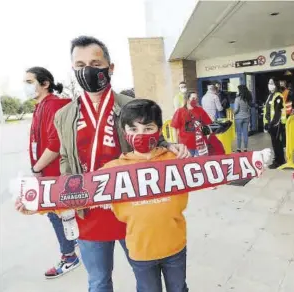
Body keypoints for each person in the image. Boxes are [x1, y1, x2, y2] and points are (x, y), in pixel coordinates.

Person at [53, 36, 189, 292]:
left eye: (95, 62)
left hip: (133, 208)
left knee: (146, 280)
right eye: (80, 64)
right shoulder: (64, 115)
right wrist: (63, 192)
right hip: (89, 213)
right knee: (99, 281)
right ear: (73, 69)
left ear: (110, 67)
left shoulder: (131, 105)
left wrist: (172, 146)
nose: (88, 70)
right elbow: (64, 158)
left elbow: (154, 138)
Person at [102, 99, 189, 292]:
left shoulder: (177, 159)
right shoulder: (112, 170)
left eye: (148, 128)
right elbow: (76, 194)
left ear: (159, 129)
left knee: (179, 289)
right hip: (141, 250)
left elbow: (214, 171)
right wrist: (35, 203)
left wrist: (252, 164)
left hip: (175, 246)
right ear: (124, 133)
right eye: (133, 130)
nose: (140, 135)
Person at [24, 66, 80, 278]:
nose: (25, 87)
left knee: (58, 214)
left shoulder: (54, 105)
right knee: (59, 214)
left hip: (55, 173)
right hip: (46, 172)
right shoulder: (40, 106)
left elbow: (55, 144)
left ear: (45, 83)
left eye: (29, 82)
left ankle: (69, 256)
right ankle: (74, 243)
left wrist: (36, 168)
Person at [171, 91, 212, 156]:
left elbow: (208, 124)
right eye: (193, 98)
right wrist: (176, 143)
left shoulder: (200, 110)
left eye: (196, 98)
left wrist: (207, 138)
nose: (195, 100)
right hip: (185, 146)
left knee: (200, 164)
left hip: (201, 145)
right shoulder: (180, 111)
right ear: (187, 99)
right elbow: (174, 128)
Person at [263, 78, 286, 169]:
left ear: (276, 84)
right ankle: (278, 159)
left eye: (272, 83)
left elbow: (278, 112)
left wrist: (272, 124)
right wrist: (266, 123)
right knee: (275, 143)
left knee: (277, 144)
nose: (270, 85)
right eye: (269, 83)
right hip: (270, 124)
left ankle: (279, 161)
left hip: (276, 124)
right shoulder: (270, 95)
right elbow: (267, 111)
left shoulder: (278, 96)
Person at [234, 85, 251, 152]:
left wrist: (233, 113)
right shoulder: (247, 98)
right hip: (246, 117)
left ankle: (238, 149)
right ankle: (245, 148)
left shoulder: (237, 99)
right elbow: (248, 108)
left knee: (239, 133)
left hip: (238, 118)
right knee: (245, 133)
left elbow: (236, 109)